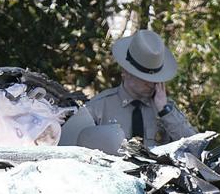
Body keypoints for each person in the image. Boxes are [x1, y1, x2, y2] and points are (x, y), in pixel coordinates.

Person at [69, 29, 198, 151]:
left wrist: (165, 112)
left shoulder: (165, 109)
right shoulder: (100, 107)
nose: (152, 84)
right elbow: (69, 147)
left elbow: (195, 149)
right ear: (125, 72)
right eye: (144, 78)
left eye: (156, 78)